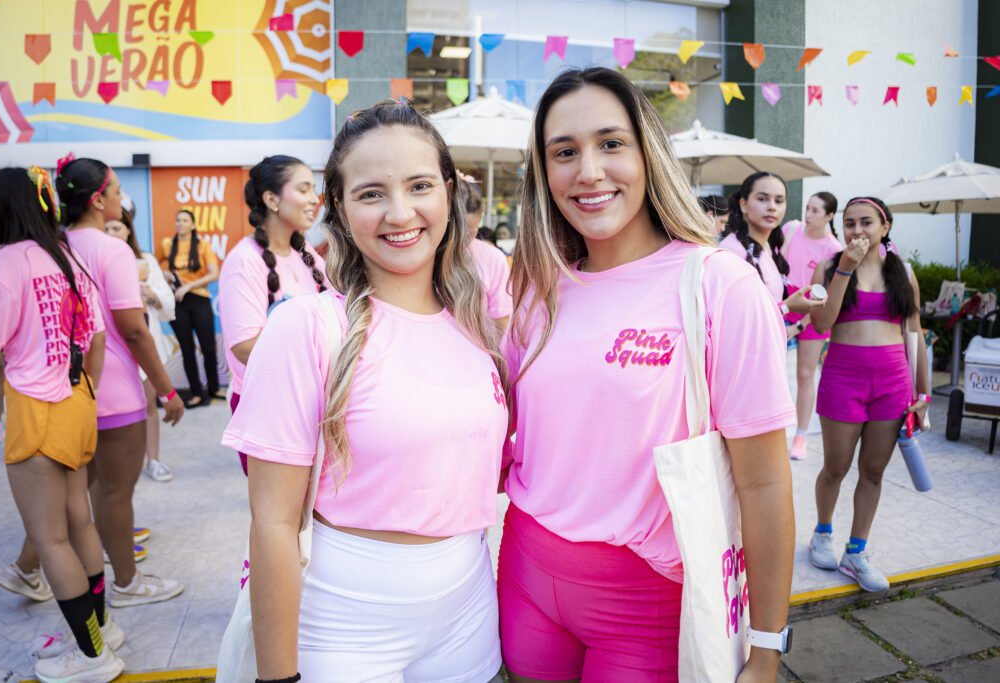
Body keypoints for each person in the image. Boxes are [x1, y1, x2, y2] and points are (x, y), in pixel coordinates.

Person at [501, 67, 795, 681]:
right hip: (524, 579)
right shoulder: (534, 290)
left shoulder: (720, 287)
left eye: (611, 143)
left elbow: (765, 483)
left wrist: (766, 648)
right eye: (564, 152)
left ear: (648, 154)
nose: (587, 171)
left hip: (647, 605)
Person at [222, 100, 508, 682]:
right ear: (341, 207)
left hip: (470, 608)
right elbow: (273, 522)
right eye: (372, 193)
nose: (400, 212)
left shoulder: (479, 325)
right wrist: (278, 677)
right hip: (343, 623)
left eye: (420, 185)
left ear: (449, 193)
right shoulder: (306, 326)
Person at [0, 167, 124, 682]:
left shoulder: (6, 262)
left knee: (50, 538)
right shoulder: (69, 257)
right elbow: (98, 339)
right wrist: (85, 394)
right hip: (77, 403)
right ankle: (100, 632)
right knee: (78, 524)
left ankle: (91, 657)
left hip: (36, 411)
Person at [57, 156, 186, 605]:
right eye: (115, 192)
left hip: (67, 389)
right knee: (116, 493)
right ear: (96, 200)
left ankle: (56, 570)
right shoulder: (112, 251)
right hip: (112, 390)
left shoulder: (52, 244)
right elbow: (133, 329)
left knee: (85, 490)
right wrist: (166, 389)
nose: (120, 199)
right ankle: (126, 583)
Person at [808, 197, 929, 593]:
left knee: (873, 472)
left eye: (866, 223)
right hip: (844, 378)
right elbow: (822, 323)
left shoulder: (903, 272)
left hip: (893, 384)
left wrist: (923, 391)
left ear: (885, 227)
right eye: (849, 224)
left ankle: (855, 553)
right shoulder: (829, 266)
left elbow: (914, 333)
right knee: (836, 466)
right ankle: (822, 533)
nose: (857, 231)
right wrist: (845, 268)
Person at [219, 155, 326, 474]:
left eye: (313, 189)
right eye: (304, 189)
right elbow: (243, 347)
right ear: (271, 199)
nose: (314, 199)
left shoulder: (305, 255)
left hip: (309, 402)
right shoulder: (244, 262)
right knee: (277, 518)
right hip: (268, 407)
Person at [105, 209, 177, 481]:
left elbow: (166, 302)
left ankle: (153, 460)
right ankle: (119, 466)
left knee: (149, 403)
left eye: (117, 228)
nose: (112, 234)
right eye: (107, 229)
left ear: (128, 231)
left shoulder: (146, 260)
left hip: (145, 340)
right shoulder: (99, 260)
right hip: (113, 346)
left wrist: (151, 293)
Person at [780, 192, 842, 460]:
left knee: (805, 374)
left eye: (816, 211)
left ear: (829, 216)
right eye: (807, 208)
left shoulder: (833, 249)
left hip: (813, 309)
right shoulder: (791, 229)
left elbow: (824, 296)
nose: (808, 214)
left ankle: (801, 436)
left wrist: (798, 326)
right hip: (784, 301)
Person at [721, 171, 824, 324]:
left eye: (779, 201)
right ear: (744, 205)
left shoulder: (766, 248)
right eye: (762, 199)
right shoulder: (732, 252)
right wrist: (787, 306)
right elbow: (735, 319)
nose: (771, 207)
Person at [160, 210, 222, 407]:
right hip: (177, 302)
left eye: (185, 220)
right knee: (187, 349)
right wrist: (165, 274)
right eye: (178, 220)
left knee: (208, 348)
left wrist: (189, 286)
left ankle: (214, 388)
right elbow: (153, 265)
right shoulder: (167, 244)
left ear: (193, 225)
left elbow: (214, 273)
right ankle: (195, 393)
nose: (180, 223)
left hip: (199, 299)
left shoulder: (202, 245)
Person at [458, 176, 512, 333]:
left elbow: (500, 323)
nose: (461, 239)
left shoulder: (492, 258)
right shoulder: (428, 253)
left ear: (480, 217)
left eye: (469, 233)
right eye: (454, 230)